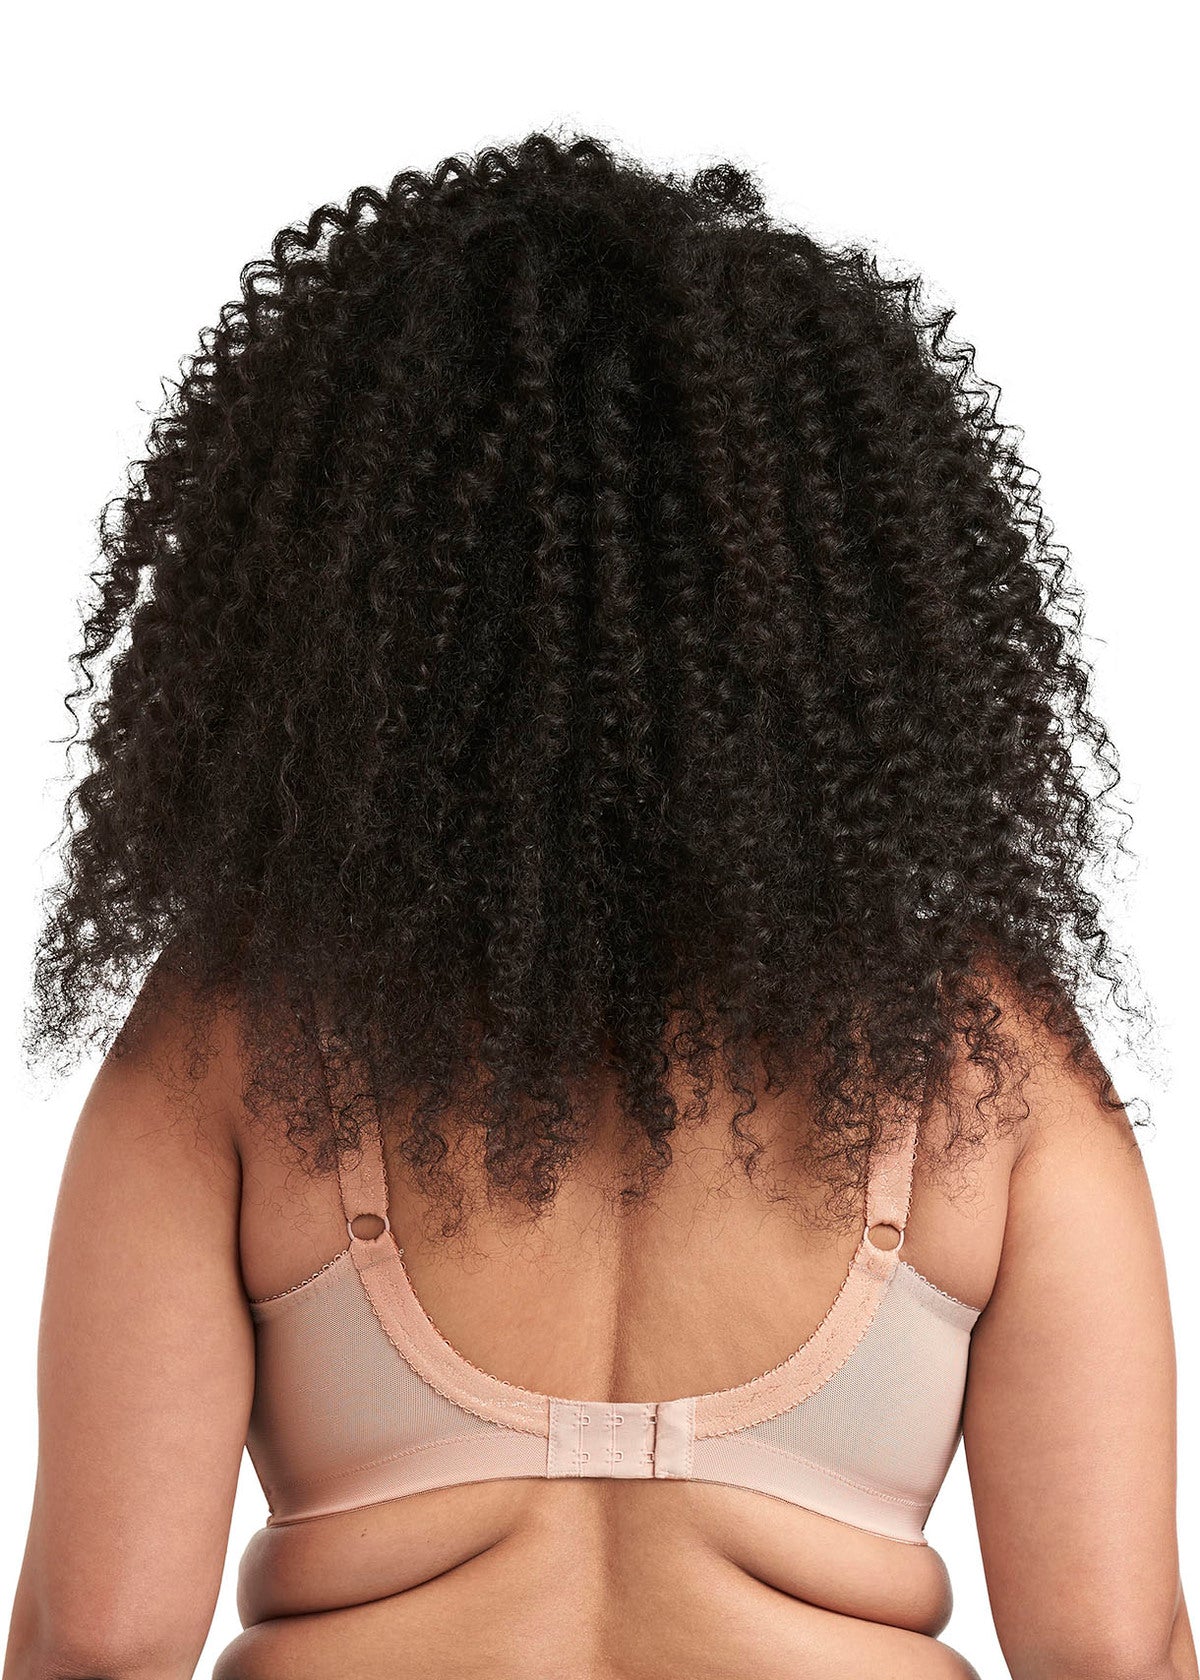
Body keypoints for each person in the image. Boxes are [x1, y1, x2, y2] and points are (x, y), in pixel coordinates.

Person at [5, 130, 1194, 1680]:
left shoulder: (236, 1031)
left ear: (359, 593)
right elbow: (1115, 1651)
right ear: (845, 607)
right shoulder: (986, 1057)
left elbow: (99, 1644)